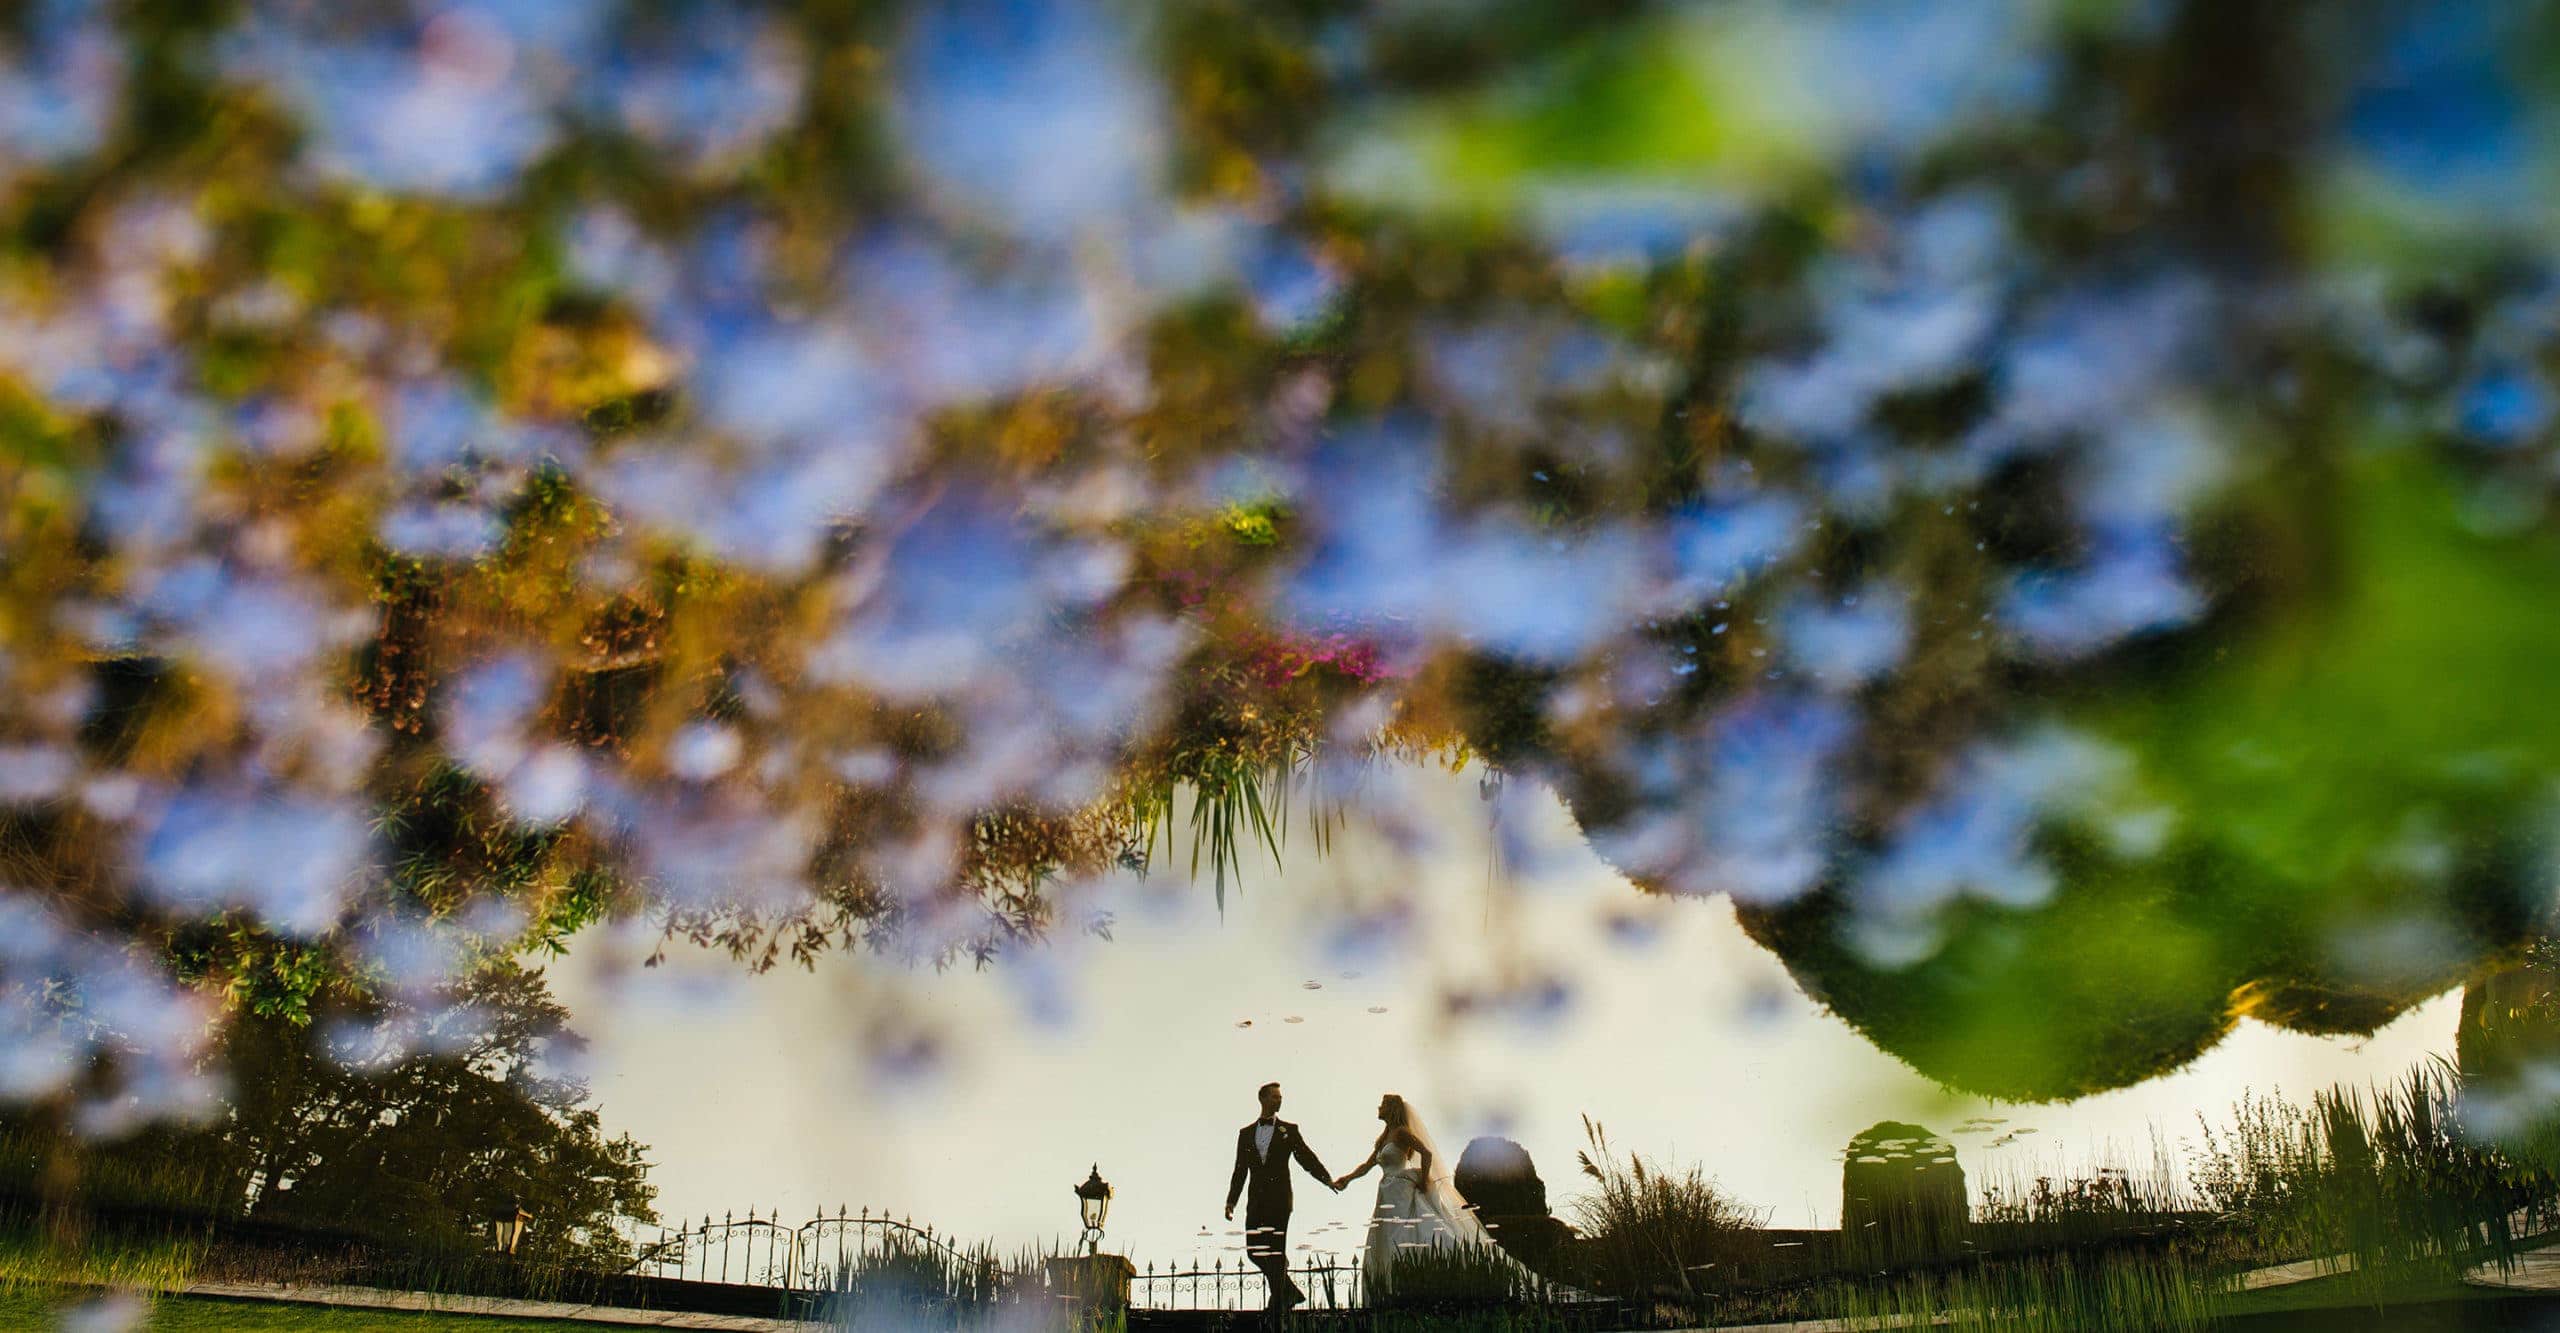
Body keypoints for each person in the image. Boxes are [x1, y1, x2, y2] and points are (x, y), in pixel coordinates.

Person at [1331, 1093, 1553, 1302]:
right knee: (1387, 1236)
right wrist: (1347, 1179)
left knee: (1405, 1235)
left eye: (1382, 1104)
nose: (1378, 1107)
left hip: (1402, 1190)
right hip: (1387, 1192)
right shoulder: (1384, 1138)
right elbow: (1368, 1165)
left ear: (1391, 1109)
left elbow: (1426, 1153)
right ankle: (1390, 1288)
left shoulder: (1400, 1133)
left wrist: (1423, 1180)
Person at [1225, 1080, 1338, 1312]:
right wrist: (1231, 1201)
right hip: (1256, 1200)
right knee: (1254, 1251)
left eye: (1280, 1097)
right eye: (1275, 1097)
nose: (1279, 1100)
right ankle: (1287, 1293)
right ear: (1263, 1099)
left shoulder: (1290, 1130)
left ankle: (1278, 1302)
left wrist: (1326, 1179)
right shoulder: (1245, 1134)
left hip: (1280, 1200)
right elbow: (1240, 1169)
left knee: (1275, 1250)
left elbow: (1306, 1157)